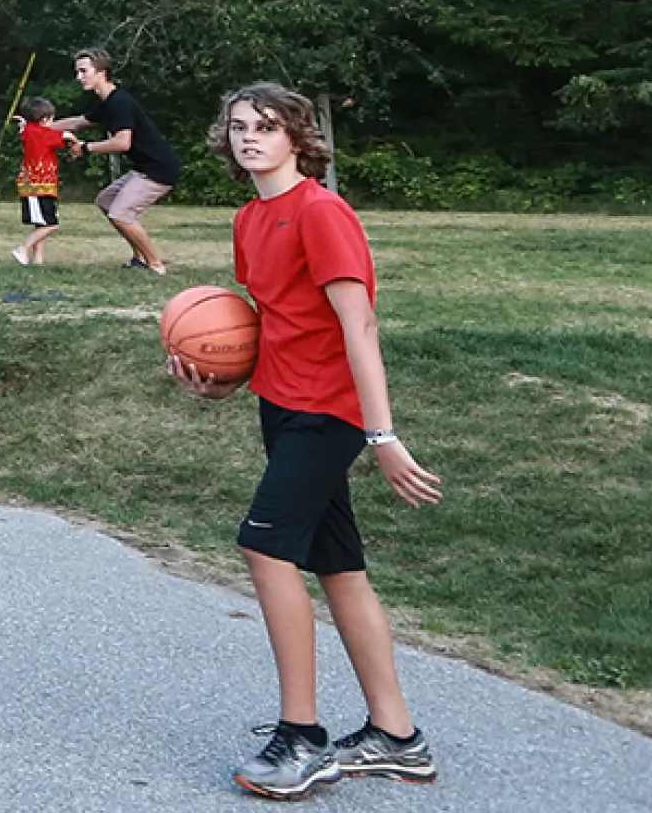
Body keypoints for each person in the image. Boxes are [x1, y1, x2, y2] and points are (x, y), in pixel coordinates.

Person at [170, 82, 445, 798]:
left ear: (298, 136)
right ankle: (397, 735)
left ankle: (304, 737)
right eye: (237, 127)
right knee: (338, 565)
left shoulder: (322, 213)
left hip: (331, 414)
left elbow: (360, 328)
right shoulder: (251, 220)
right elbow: (280, 325)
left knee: (264, 547)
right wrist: (225, 381)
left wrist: (381, 434)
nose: (249, 137)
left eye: (266, 126)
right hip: (282, 405)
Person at [70, 49, 184, 274]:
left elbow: (123, 143)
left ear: (102, 73)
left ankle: (155, 265)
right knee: (106, 201)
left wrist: (86, 147)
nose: (79, 77)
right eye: (77, 72)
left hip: (159, 170)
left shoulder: (120, 102)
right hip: (144, 168)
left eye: (84, 71)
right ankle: (139, 258)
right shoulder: (106, 102)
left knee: (121, 214)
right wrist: (39, 128)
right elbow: (77, 122)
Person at [14, 94, 72, 268]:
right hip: (39, 187)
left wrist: (24, 125)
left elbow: (26, 132)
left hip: (33, 186)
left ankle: (38, 262)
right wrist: (76, 141)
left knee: (41, 225)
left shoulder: (28, 132)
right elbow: (65, 136)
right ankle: (22, 249)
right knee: (51, 225)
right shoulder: (42, 133)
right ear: (45, 119)